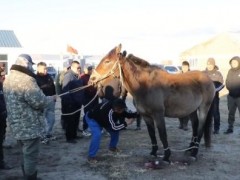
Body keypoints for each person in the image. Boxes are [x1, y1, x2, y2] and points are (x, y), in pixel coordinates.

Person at [3, 54, 56, 179]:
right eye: (31, 65)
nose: (32, 68)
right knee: (30, 156)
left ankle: (27, 175)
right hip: (29, 127)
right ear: (26, 64)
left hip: (16, 125)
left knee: (25, 154)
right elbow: (39, 102)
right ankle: (31, 177)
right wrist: (51, 99)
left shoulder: (8, 79)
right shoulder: (27, 80)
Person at [85, 98, 138, 163]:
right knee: (97, 135)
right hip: (93, 119)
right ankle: (91, 156)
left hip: (103, 119)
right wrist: (126, 123)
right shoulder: (108, 112)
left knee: (115, 131)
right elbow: (114, 127)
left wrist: (136, 114)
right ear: (116, 110)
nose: (123, 111)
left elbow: (125, 114)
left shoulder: (116, 105)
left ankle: (112, 147)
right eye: (122, 110)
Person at [61, 61, 84, 143]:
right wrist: (70, 103)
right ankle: (69, 138)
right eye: (78, 68)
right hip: (70, 104)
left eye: (80, 68)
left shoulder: (77, 76)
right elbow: (65, 90)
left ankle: (74, 135)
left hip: (77, 103)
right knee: (70, 121)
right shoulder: (68, 76)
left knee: (75, 120)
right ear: (72, 67)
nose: (79, 69)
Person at [36, 62, 57, 142]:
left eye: (46, 68)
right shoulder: (35, 78)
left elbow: (53, 86)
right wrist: (43, 87)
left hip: (51, 100)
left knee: (51, 119)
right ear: (38, 69)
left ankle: (48, 134)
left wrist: (54, 95)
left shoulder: (49, 76)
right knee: (42, 120)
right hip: (41, 101)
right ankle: (42, 136)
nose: (46, 71)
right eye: (44, 69)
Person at [205, 58, 224, 134]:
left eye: (211, 64)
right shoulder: (203, 73)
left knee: (215, 113)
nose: (209, 66)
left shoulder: (218, 73)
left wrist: (215, 90)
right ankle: (207, 127)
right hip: (205, 98)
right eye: (208, 64)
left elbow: (222, 84)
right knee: (205, 113)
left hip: (214, 97)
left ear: (213, 65)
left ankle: (216, 128)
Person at [80, 65, 99, 137]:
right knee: (87, 114)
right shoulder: (82, 77)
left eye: (91, 69)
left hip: (95, 98)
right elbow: (81, 88)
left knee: (94, 113)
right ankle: (85, 129)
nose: (91, 71)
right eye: (90, 69)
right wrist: (88, 85)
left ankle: (93, 128)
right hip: (87, 98)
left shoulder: (94, 77)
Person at [55, 59, 72, 130]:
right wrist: (61, 95)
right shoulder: (60, 75)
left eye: (69, 67)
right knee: (64, 111)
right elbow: (58, 86)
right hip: (64, 96)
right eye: (67, 68)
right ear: (64, 67)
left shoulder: (72, 74)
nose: (69, 69)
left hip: (71, 97)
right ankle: (64, 125)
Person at [225, 56, 240, 134]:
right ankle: (230, 128)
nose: (234, 64)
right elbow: (227, 82)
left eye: (235, 62)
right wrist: (231, 89)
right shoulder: (230, 71)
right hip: (231, 96)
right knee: (231, 113)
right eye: (232, 62)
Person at [0, 67, 10, 170]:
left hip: (2, 117)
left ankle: (1, 162)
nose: (3, 77)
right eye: (1, 75)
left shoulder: (2, 86)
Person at [178, 61, 191, 130]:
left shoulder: (191, 75)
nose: (184, 68)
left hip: (188, 95)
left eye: (186, 67)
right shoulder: (179, 74)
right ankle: (181, 123)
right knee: (179, 110)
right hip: (180, 95)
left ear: (188, 67)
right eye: (183, 67)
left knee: (186, 111)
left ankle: (185, 125)